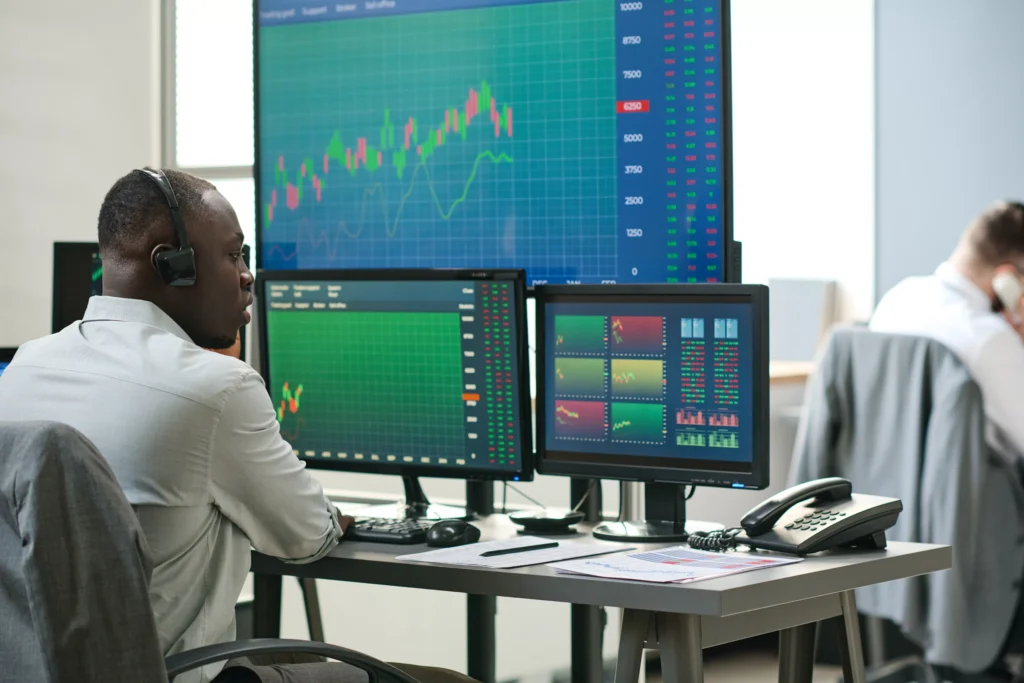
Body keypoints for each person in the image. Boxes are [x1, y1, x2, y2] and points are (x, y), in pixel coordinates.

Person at [0, 169, 473, 683]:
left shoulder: (24, 367)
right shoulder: (216, 389)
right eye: (233, 255)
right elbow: (307, 538)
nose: (247, 275)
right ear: (172, 263)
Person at [870, 200, 1024, 461]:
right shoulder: (988, 337)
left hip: (881, 491)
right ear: (1007, 277)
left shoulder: (897, 298)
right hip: (974, 499)